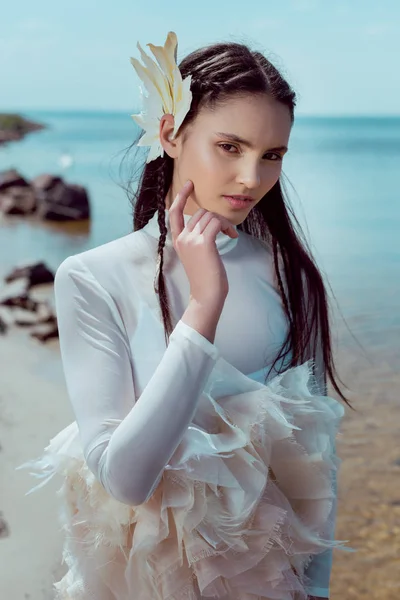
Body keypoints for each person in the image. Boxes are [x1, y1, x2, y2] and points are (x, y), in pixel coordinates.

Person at [19, 31, 354, 599]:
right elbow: (124, 479)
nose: (252, 177)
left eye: (272, 155)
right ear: (171, 133)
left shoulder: (290, 275)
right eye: (231, 147)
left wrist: (317, 593)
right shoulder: (92, 277)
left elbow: (316, 469)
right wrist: (204, 308)